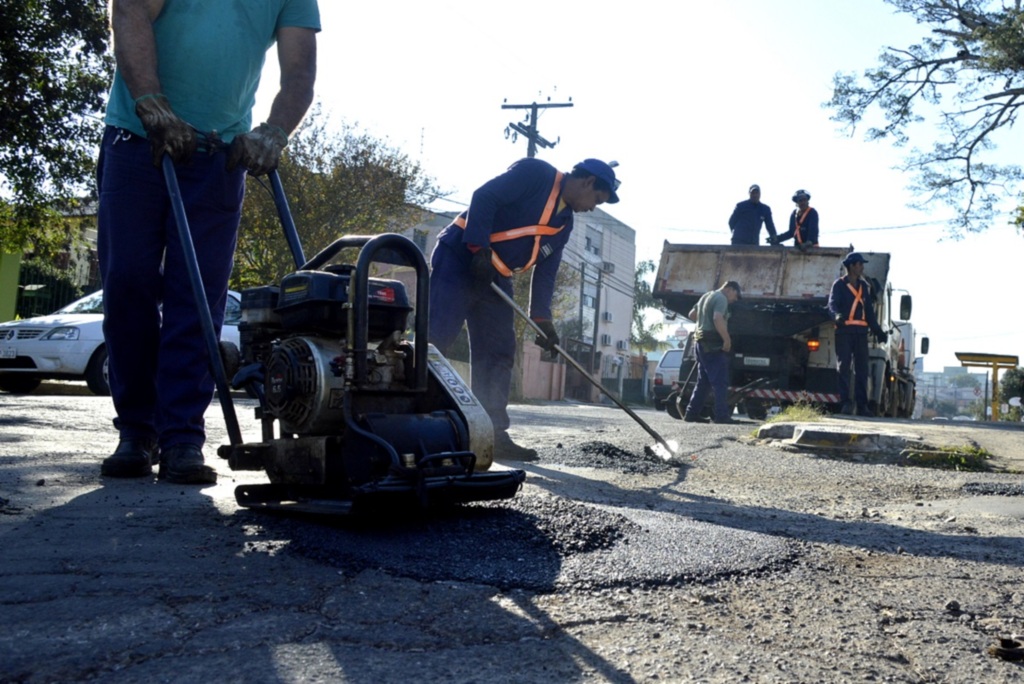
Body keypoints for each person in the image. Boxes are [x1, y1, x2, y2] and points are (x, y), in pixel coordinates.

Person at [98, 0, 319, 484]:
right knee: (128, 279)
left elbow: (299, 73)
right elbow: (131, 11)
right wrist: (151, 102)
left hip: (218, 157)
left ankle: (181, 437)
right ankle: (136, 430)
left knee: (197, 296)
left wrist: (274, 132)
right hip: (138, 140)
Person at [429, 157, 620, 461]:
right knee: (435, 341)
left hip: (495, 275)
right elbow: (484, 196)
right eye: (597, 198)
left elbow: (545, 274)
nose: (593, 207)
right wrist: (478, 248)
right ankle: (420, 423)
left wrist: (543, 321)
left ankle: (492, 433)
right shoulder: (536, 173)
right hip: (460, 257)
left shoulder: (564, 225)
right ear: (587, 182)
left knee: (499, 350)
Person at [828, 252, 888, 417]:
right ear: (852, 266)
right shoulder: (839, 285)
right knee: (844, 368)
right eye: (860, 264)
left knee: (862, 370)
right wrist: (837, 316)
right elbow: (832, 304)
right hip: (844, 332)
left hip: (861, 334)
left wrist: (877, 331)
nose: (862, 267)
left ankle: (862, 406)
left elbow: (869, 312)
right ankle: (845, 403)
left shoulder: (864, 287)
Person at [682, 281, 742, 425]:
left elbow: (692, 314)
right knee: (720, 382)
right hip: (713, 345)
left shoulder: (706, 296)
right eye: (736, 295)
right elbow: (717, 318)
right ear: (729, 289)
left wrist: (703, 321)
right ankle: (721, 416)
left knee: (703, 382)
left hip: (700, 343)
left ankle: (691, 413)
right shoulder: (721, 298)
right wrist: (726, 340)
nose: (735, 299)